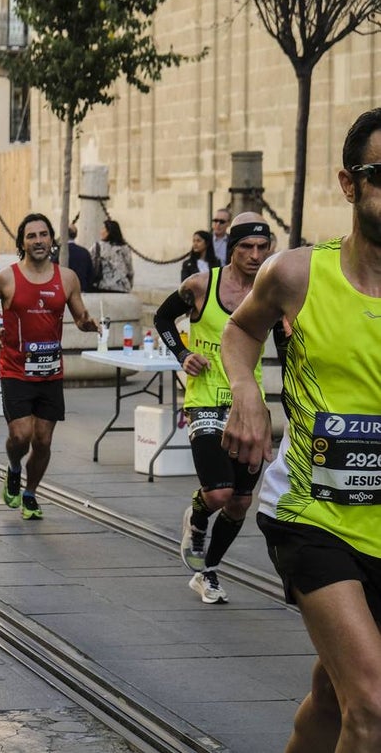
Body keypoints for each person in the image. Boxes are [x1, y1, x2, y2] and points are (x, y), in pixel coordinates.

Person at [221, 109, 381, 752]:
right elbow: (239, 332)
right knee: (372, 707)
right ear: (349, 185)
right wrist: (246, 395)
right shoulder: (297, 275)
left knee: (333, 697)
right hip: (312, 515)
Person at [154, 213, 271, 603]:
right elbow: (162, 317)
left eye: (262, 247)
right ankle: (198, 514)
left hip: (248, 405)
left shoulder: (273, 292)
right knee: (218, 494)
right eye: (246, 248)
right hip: (205, 399)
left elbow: (291, 345)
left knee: (240, 502)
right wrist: (183, 354)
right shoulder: (202, 285)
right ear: (231, 249)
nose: (255, 256)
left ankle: (208, 572)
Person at [0, 213, 100, 519]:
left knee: (43, 441)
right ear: (22, 242)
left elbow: (81, 316)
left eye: (43, 234)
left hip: (50, 372)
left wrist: (89, 324)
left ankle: (30, 494)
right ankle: (14, 467)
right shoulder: (7, 278)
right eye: (31, 236)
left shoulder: (68, 278)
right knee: (21, 435)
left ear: (51, 240)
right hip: (15, 369)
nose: (38, 241)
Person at [90, 219, 134, 293]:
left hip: (102, 285)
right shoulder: (125, 248)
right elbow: (129, 269)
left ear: (108, 232)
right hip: (122, 286)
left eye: (103, 228)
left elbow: (89, 261)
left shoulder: (98, 246)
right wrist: (129, 284)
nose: (101, 231)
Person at [63, 224, 95, 292]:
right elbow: (90, 274)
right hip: (81, 290)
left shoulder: (60, 252)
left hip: (64, 290)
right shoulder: (85, 252)